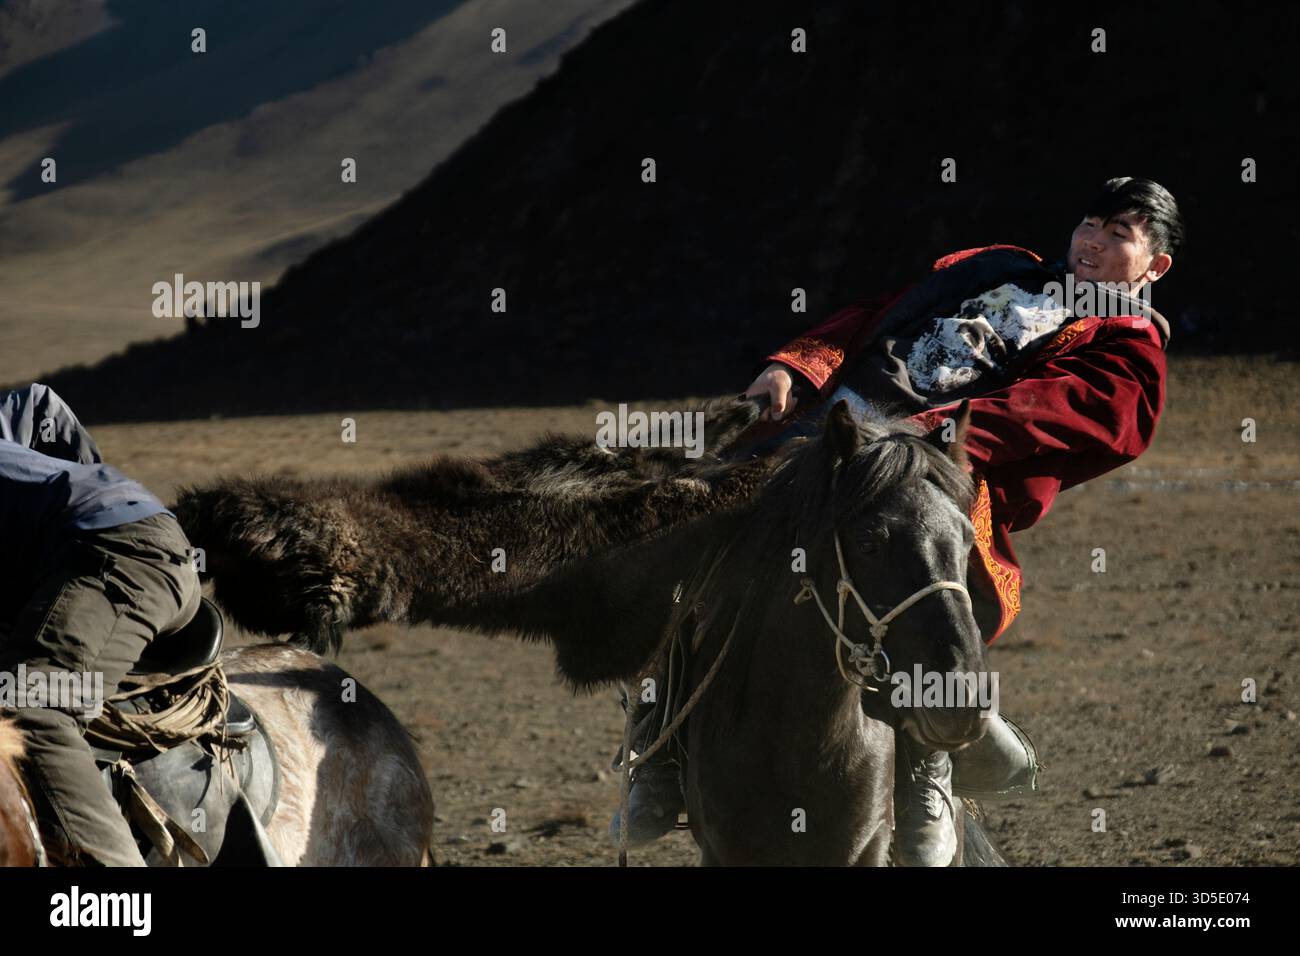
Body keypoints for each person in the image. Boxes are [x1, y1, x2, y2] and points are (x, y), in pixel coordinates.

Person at [613, 176, 1182, 865]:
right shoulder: (1002, 267)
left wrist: (939, 430)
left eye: (1118, 233)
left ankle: (923, 778)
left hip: (932, 476)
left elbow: (1065, 412)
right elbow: (877, 313)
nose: (1092, 241)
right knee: (679, 530)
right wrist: (795, 365)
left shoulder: (1128, 349)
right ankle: (661, 748)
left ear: (1156, 266)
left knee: (912, 605)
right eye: (1090, 223)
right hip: (830, 432)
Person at [0, 383, 201, 865]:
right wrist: (88, 479)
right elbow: (36, 401)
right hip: (128, 533)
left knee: (33, 703)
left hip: (117, 552)